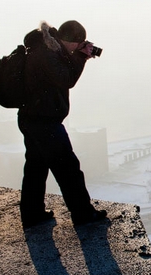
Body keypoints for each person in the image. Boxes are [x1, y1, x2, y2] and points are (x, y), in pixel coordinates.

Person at [17, 20, 107, 228]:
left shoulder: (48, 49)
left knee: (36, 168)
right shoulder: (47, 53)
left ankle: (32, 214)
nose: (80, 47)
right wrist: (82, 57)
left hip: (32, 118)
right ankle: (83, 214)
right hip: (44, 122)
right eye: (78, 43)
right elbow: (66, 79)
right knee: (68, 169)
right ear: (68, 41)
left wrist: (77, 55)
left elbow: (60, 72)